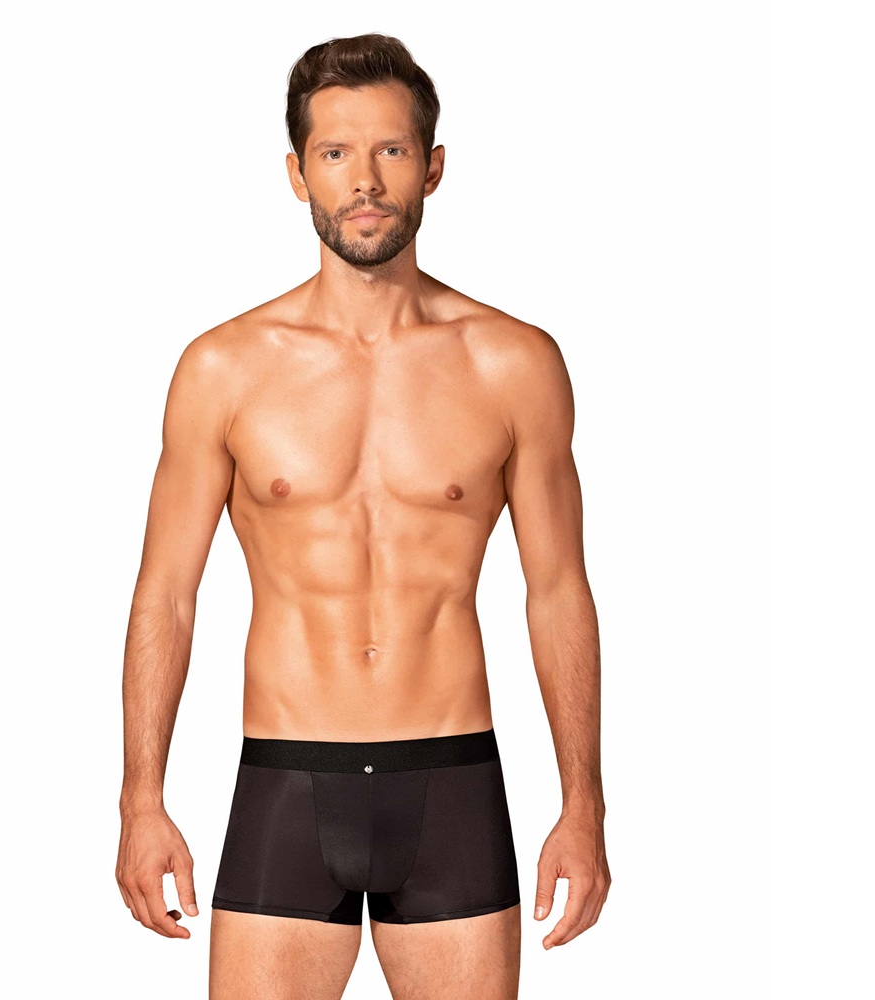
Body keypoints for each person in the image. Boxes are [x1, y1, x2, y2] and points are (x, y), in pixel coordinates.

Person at [116, 32, 610, 999]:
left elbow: (557, 591)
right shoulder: (223, 369)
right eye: (336, 153)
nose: (366, 180)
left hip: (453, 780)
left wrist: (584, 805)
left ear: (433, 166)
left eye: (390, 150)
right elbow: (165, 595)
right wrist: (141, 799)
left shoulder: (514, 364)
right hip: (286, 777)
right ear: (297, 174)